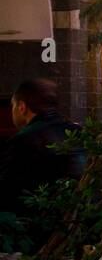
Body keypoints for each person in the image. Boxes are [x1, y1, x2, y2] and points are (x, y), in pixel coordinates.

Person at [0, 79, 85, 220]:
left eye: (13, 106)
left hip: (42, 225)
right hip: (81, 219)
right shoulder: (78, 131)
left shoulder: (22, 141)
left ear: (22, 107)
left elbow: (6, 192)